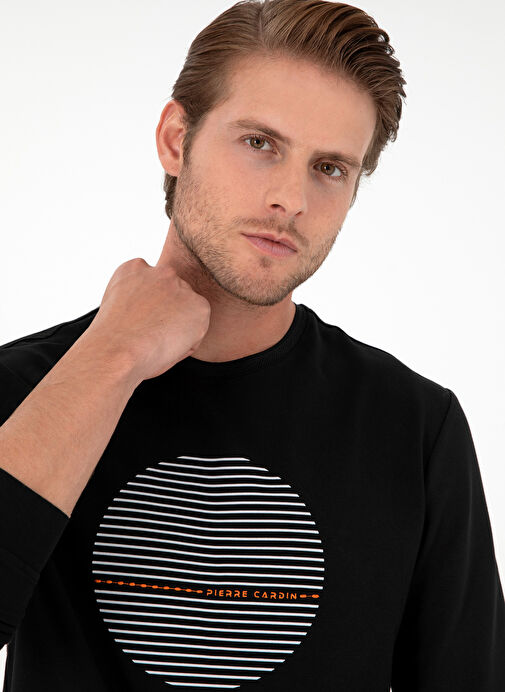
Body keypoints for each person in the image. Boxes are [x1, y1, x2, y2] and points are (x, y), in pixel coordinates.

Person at [0, 0, 504, 689]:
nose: (290, 199)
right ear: (175, 139)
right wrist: (111, 357)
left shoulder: (413, 426)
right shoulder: (24, 390)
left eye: (330, 168)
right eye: (260, 143)